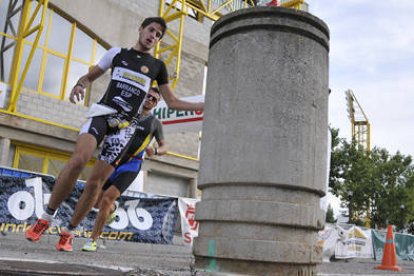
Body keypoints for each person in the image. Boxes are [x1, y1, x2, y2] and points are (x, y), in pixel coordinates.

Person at [25, 17, 203, 252]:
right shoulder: (117, 54)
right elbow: (89, 77)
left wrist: (201, 106)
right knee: (78, 160)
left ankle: (68, 232)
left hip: (124, 128)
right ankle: (45, 219)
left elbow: (172, 101)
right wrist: (80, 85)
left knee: (95, 184)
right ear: (141, 29)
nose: (153, 36)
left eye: (159, 34)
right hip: (103, 114)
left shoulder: (157, 66)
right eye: (151, 30)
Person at [82, 87, 165, 252]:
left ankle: (92, 240)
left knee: (106, 198)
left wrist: (155, 151)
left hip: (131, 165)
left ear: (156, 104)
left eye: (154, 99)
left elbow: (165, 147)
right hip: (113, 160)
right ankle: (113, 208)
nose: (149, 99)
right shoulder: (127, 113)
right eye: (147, 96)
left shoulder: (154, 123)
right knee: (98, 202)